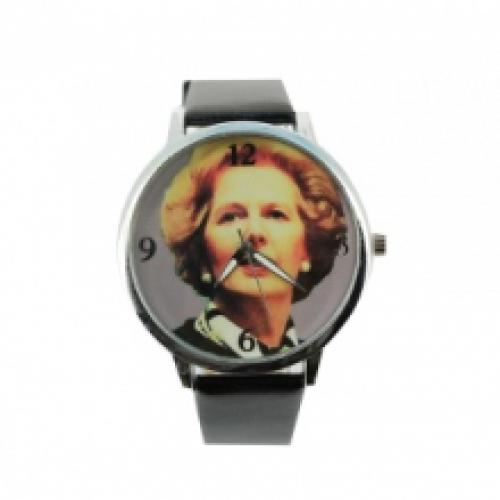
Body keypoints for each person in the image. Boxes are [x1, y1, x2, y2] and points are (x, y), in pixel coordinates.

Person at [160, 137, 347, 358]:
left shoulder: (309, 351)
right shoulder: (173, 349)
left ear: (309, 246)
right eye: (231, 217)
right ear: (200, 250)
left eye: (275, 215)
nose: (254, 233)